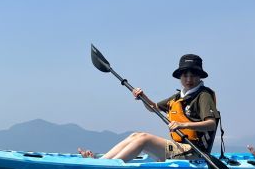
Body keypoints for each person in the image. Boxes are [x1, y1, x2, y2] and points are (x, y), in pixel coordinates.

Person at [79, 54, 220, 162]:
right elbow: (153, 108)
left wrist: (183, 124)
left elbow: (211, 124)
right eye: (185, 75)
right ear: (180, 77)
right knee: (136, 135)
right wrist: (143, 96)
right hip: (180, 148)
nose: (189, 79)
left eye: (193, 75)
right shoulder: (179, 97)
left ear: (200, 76)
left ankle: (107, 167)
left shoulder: (203, 95)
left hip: (195, 152)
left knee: (144, 139)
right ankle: (101, 162)